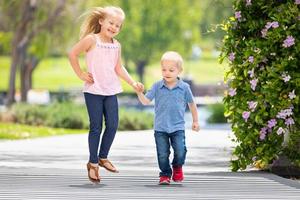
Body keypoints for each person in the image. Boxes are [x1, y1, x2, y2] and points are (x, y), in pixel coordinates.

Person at [68, 6, 142, 183]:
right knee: (96, 127)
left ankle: (103, 157)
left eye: (118, 25)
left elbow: (118, 67)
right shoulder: (91, 40)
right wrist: (81, 74)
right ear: (101, 21)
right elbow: (72, 54)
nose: (114, 27)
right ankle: (93, 164)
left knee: (113, 124)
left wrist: (133, 83)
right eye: (111, 23)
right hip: (93, 90)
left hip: (110, 90)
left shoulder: (116, 45)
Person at [135, 51, 200, 185]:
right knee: (162, 154)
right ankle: (165, 174)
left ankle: (177, 166)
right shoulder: (157, 86)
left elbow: (192, 104)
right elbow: (146, 101)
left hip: (178, 127)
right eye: (164, 69)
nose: (167, 72)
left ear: (179, 71)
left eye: (171, 70)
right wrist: (139, 93)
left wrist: (195, 121)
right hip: (160, 128)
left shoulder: (184, 87)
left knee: (180, 151)